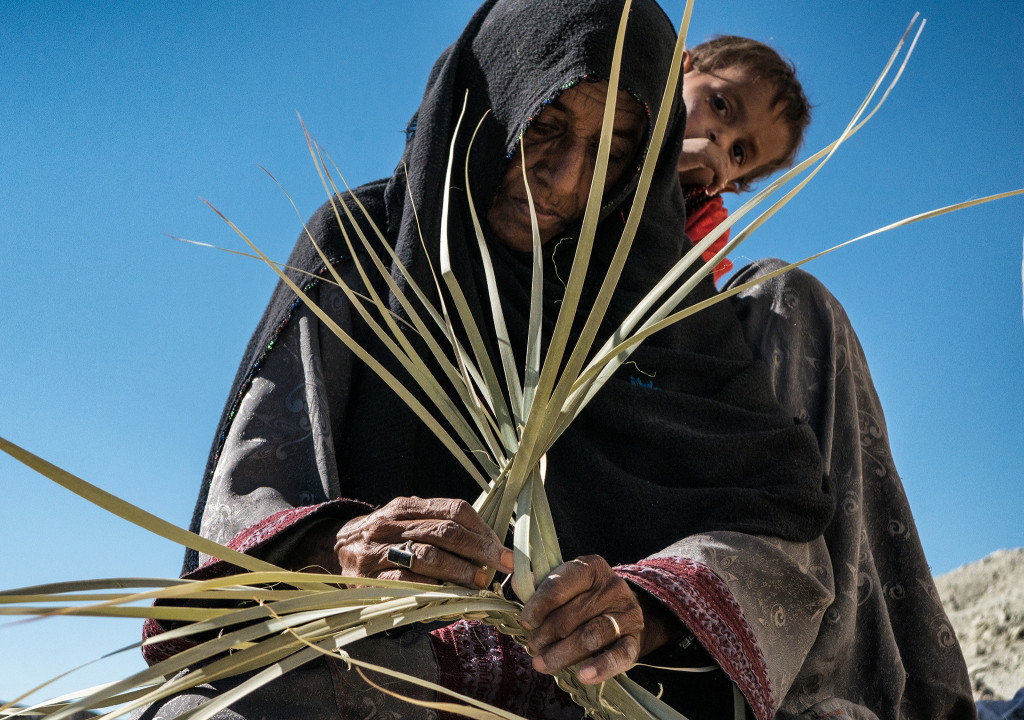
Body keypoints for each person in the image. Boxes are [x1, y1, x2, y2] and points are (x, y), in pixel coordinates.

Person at [139, 1, 975, 719]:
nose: (567, 181)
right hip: (394, 666)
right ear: (488, 102)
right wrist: (346, 549)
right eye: (544, 125)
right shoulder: (359, 250)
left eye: (614, 152)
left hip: (610, 688)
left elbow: (773, 524)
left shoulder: (673, 309)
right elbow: (251, 508)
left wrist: (650, 605)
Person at [678, 36, 812, 284]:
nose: (722, 139)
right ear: (680, 67)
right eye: (720, 105)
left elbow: (678, 294)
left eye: (738, 152)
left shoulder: (707, 224)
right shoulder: (619, 103)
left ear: (727, 183)